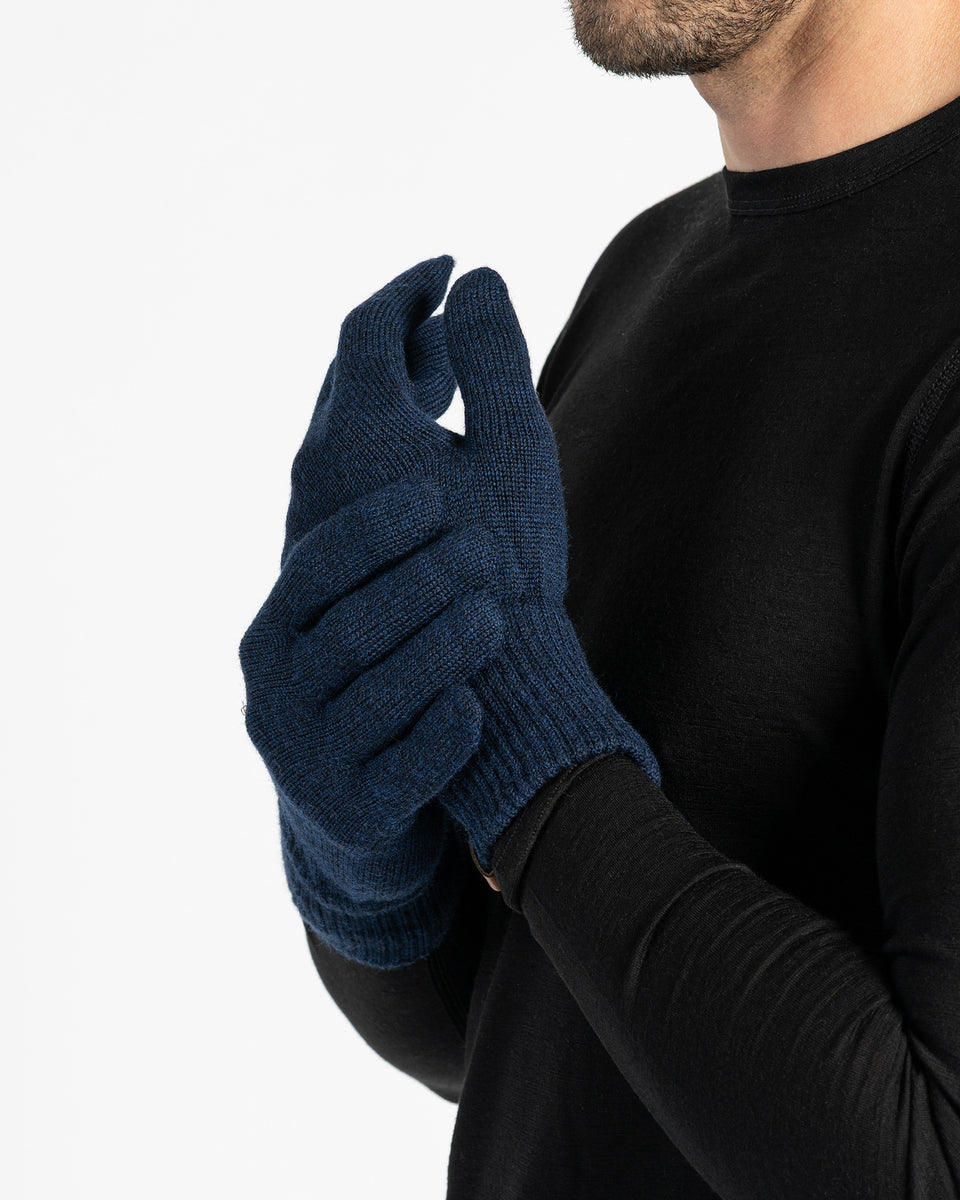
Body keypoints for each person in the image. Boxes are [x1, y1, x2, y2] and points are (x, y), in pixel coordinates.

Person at [238, 1, 960, 1195]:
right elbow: (506, 1038)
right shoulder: (652, 267)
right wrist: (364, 837)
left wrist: (537, 764)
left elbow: (925, 1158)